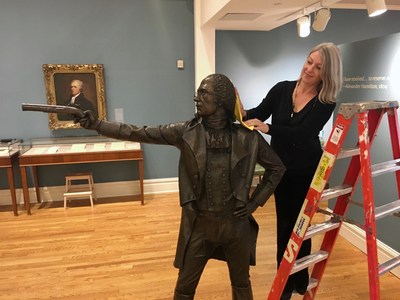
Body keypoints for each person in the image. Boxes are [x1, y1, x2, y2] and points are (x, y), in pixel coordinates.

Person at [74, 73, 286, 300]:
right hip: (199, 225)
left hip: (235, 226)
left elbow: (277, 169)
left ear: (221, 100)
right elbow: (138, 131)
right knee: (184, 288)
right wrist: (98, 124)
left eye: (203, 93)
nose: (197, 98)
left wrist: (254, 203)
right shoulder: (186, 132)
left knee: (241, 285)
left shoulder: (248, 138)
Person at [240, 42, 342, 299]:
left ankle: (294, 280)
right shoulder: (282, 89)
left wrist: (268, 129)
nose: (309, 69)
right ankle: (289, 280)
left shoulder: (325, 102)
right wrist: (238, 111)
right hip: (281, 170)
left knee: (301, 226)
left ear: (326, 74)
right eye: (309, 61)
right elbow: (256, 114)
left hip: (307, 171)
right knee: (285, 226)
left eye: (318, 67)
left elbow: (302, 134)